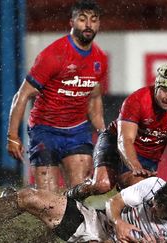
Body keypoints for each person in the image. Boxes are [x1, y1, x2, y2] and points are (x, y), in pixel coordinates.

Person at [66, 62, 167, 201]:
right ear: (156, 86)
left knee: (140, 195)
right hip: (114, 143)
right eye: (165, 90)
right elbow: (124, 141)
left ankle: (115, 223)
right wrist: (134, 166)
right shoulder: (137, 100)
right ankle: (74, 194)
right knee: (102, 185)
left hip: (147, 156)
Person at [6, 0, 107, 192]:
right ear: (72, 22)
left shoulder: (100, 59)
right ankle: (14, 199)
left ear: (99, 24)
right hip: (45, 131)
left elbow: (93, 99)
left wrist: (103, 134)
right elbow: (22, 95)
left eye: (94, 20)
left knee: (79, 193)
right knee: (48, 202)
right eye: (82, 19)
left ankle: (72, 220)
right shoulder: (54, 55)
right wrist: (12, 136)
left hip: (77, 131)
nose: (88, 25)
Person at [0, 176, 167, 242]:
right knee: (30, 197)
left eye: (156, 209)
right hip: (99, 223)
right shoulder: (155, 186)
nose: (151, 207)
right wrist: (119, 222)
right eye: (152, 202)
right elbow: (115, 203)